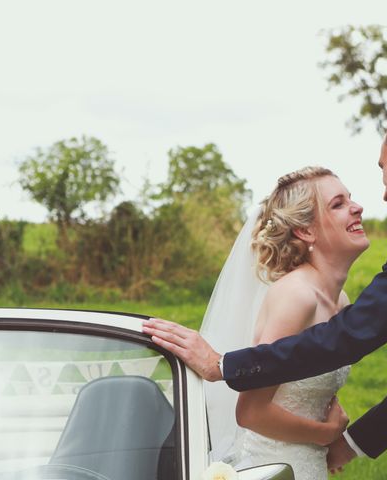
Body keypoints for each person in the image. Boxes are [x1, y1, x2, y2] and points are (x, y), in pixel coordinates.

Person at [144, 94, 387, 479]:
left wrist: (223, 365)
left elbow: (355, 332)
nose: (384, 192)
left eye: (383, 168)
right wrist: (349, 441)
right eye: (339, 203)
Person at [148, 166, 370, 480]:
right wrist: (323, 433)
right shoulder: (296, 296)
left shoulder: (340, 299)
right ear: (306, 231)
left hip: (309, 465)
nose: (357, 207)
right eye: (338, 204)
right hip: (274, 466)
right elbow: (251, 412)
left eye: (351, 199)